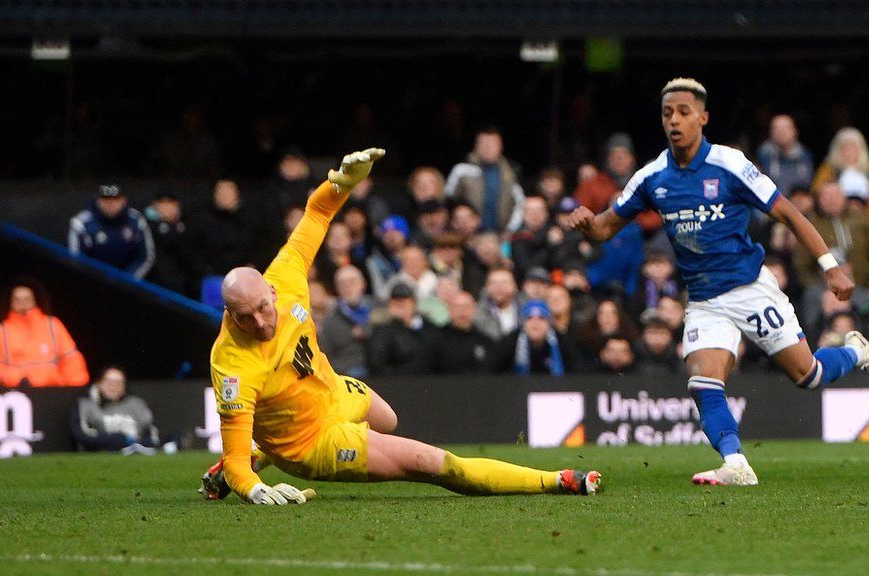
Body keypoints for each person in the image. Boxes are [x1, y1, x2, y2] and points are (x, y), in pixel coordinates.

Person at [199, 148, 600, 505]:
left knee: (387, 419)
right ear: (228, 314)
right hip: (312, 442)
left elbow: (317, 213)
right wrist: (250, 487)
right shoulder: (232, 365)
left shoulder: (284, 277)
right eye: (243, 317)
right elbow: (235, 460)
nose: (258, 322)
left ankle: (264, 452)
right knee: (435, 463)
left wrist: (339, 184)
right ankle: (558, 480)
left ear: (270, 291)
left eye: (262, 309)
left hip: (332, 391)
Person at [566, 77, 869, 486]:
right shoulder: (652, 178)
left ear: (703, 117)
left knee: (808, 376)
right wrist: (585, 225)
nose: (675, 121)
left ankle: (857, 352)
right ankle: (736, 462)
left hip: (750, 288)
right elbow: (604, 228)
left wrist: (830, 266)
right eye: (667, 113)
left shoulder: (730, 164)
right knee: (703, 381)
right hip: (704, 299)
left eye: (684, 112)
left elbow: (787, 213)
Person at [0, 280, 89, 387]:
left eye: (26, 298)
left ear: (34, 300)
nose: (22, 302)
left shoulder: (52, 325)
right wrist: (15, 379)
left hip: (53, 393)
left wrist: (72, 390)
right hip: (18, 395)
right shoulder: (0, 331)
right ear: (10, 302)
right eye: (17, 299)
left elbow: (72, 361)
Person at [71, 366, 172, 454]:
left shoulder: (136, 404)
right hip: (100, 454)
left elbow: (152, 436)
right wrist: (117, 440)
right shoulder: (86, 405)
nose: (113, 386)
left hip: (135, 454)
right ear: (99, 383)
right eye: (108, 382)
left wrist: (136, 443)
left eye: (118, 383)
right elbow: (82, 436)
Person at [445, 127, 526, 233]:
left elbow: (520, 204)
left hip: (501, 235)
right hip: (466, 234)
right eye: (483, 143)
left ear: (500, 146)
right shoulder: (462, 169)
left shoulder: (512, 173)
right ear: (476, 146)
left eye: (492, 143)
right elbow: (448, 199)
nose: (487, 147)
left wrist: (510, 230)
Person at [68, 184, 156, 280]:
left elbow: (145, 256)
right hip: (92, 281)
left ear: (124, 200)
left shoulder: (136, 220)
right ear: (98, 201)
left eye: (116, 199)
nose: (111, 204)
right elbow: (77, 258)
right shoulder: (82, 223)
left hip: (128, 283)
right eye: (106, 200)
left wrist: (127, 280)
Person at [812, 127, 869, 217]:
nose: (849, 151)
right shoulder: (827, 170)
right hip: (838, 217)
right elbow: (819, 194)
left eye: (853, 147)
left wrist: (867, 212)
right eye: (844, 147)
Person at [143, 191, 202, 298]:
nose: (167, 207)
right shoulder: (145, 225)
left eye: (170, 203)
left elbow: (192, 257)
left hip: (186, 285)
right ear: (155, 205)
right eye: (163, 203)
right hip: (156, 284)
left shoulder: (188, 225)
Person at [318, 265, 373, 379]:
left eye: (352, 282)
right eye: (342, 284)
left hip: (380, 367)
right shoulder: (330, 320)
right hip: (349, 372)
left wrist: (367, 330)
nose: (348, 287)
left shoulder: (378, 308)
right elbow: (325, 357)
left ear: (363, 284)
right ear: (337, 289)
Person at [433, 290, 501, 374]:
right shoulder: (435, 340)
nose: (462, 311)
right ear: (449, 310)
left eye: (467, 306)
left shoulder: (486, 342)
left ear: (474, 309)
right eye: (457, 307)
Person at [756, 114, 814, 196]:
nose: (781, 132)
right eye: (777, 129)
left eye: (786, 128)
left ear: (795, 131)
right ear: (771, 133)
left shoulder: (806, 156)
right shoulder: (763, 156)